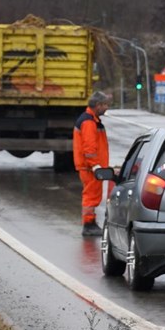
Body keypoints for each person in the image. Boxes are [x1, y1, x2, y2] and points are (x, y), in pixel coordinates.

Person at [73, 91, 111, 237]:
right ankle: (88, 224)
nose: (106, 108)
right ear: (98, 105)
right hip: (90, 167)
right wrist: (95, 165)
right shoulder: (89, 122)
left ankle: (90, 222)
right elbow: (89, 148)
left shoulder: (91, 120)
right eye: (105, 105)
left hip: (91, 166)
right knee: (91, 195)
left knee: (93, 194)